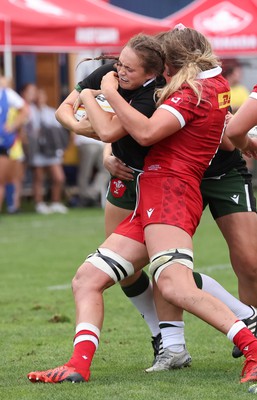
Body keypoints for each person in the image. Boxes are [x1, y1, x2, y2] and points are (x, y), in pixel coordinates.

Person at [27, 27, 257, 386]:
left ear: (168, 66)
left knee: (175, 286)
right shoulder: (192, 87)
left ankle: (251, 345)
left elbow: (142, 132)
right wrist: (103, 130)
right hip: (151, 191)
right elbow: (112, 130)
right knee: (87, 279)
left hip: (171, 193)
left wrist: (102, 94)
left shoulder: (195, 91)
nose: (118, 72)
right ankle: (77, 365)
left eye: (129, 67)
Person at [55, 33, 167, 360]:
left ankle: (184, 335)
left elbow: (111, 126)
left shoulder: (156, 88)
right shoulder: (110, 71)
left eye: (127, 67)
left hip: (157, 179)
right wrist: (100, 144)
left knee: (166, 267)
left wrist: (96, 101)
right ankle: (159, 332)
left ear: (152, 71)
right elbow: (65, 111)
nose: (119, 70)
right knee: (123, 269)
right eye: (119, 63)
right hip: (123, 177)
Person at [21, 84, 68, 214]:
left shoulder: (50, 111)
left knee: (59, 177)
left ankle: (56, 202)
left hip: (50, 149)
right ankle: (39, 203)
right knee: (38, 177)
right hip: (37, 149)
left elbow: (57, 131)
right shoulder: (29, 110)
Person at [0, 74, 27, 214]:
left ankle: (13, 205)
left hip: (8, 143)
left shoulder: (8, 95)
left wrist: (12, 127)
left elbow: (24, 111)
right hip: (9, 143)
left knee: (12, 178)